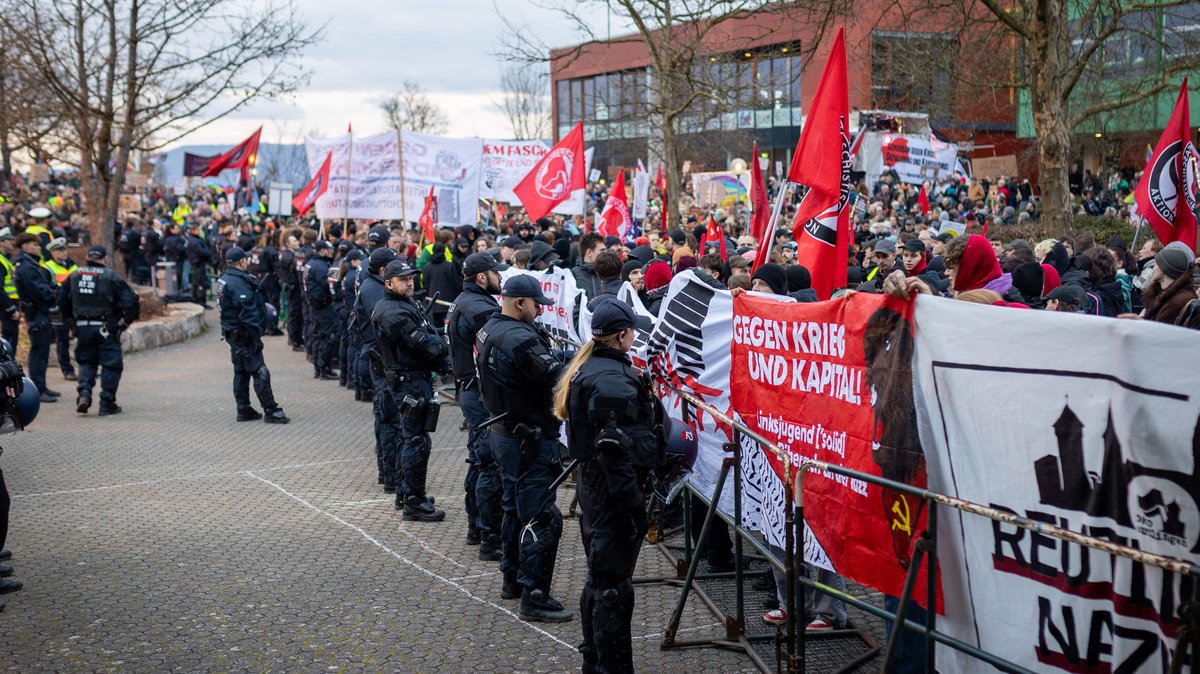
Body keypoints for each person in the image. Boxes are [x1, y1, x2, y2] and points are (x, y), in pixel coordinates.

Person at [555, 298, 655, 673]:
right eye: (633, 331)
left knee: (602, 581)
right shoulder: (611, 379)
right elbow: (613, 452)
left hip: (599, 492)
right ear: (622, 335)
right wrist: (635, 509)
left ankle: (595, 660)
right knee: (611, 589)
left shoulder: (598, 367)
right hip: (610, 496)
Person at [476, 274, 572, 622]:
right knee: (542, 516)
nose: (539, 311)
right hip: (528, 437)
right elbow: (557, 377)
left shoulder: (492, 327)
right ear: (519, 303)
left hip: (505, 431)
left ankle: (512, 579)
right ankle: (534, 593)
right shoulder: (518, 338)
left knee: (515, 506)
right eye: (536, 305)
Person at [371, 260, 451, 522]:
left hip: (416, 377)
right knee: (415, 441)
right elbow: (425, 345)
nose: (409, 282)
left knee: (416, 439)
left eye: (410, 278)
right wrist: (440, 347)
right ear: (388, 283)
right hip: (408, 381)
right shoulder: (390, 311)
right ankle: (413, 502)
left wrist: (437, 343)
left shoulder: (406, 303)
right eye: (402, 279)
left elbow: (429, 334)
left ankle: (408, 494)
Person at [446, 253, 503, 557]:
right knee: (489, 463)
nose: (500, 278)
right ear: (481, 277)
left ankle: (476, 526)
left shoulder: (464, 300)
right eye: (495, 272)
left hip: (469, 389)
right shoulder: (481, 308)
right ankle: (488, 535)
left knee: (479, 458)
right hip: (479, 392)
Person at [59, 246, 139, 416]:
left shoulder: (74, 276)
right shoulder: (111, 277)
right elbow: (131, 302)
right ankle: (107, 402)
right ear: (105, 259)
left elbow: (61, 300)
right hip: (106, 328)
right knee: (111, 365)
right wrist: (125, 322)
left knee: (87, 362)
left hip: (82, 327)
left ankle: (84, 394)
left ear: (87, 257)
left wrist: (71, 322)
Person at [216, 247, 289, 424]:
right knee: (259, 370)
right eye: (246, 260)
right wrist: (256, 338)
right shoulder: (236, 282)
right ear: (241, 262)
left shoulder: (225, 279)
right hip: (243, 335)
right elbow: (247, 313)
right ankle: (271, 410)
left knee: (241, 371)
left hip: (233, 334)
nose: (248, 262)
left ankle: (243, 408)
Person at [13, 234, 59, 403]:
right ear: (24, 246)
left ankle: (42, 386)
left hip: (39, 313)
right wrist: (52, 294)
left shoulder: (32, 265)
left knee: (42, 351)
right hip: (36, 313)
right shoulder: (26, 267)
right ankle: (37, 388)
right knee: (38, 353)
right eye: (34, 244)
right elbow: (40, 291)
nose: (38, 247)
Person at [42, 238, 78, 381]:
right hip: (58, 308)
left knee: (82, 337)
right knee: (62, 340)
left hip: (74, 306)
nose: (64, 252)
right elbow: (46, 288)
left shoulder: (71, 264)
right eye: (60, 250)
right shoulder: (46, 267)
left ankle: (86, 368)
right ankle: (67, 370)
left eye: (64, 249)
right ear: (52, 252)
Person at [304, 240, 339, 380]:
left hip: (315, 305)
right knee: (328, 336)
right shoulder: (319, 266)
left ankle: (319, 368)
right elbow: (327, 284)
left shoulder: (312, 263)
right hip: (322, 306)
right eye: (329, 249)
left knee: (319, 335)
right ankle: (324, 368)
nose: (331, 252)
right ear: (322, 250)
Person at [1141, 242, 1196, 324]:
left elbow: (1161, 332)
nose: (1153, 268)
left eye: (1157, 264)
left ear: (1164, 269)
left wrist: (1141, 320)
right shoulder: (1158, 293)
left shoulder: (1179, 302)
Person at [0, 230, 21, 352]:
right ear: (1, 242)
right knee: (9, 341)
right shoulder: (1, 261)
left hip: (10, 303)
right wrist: (11, 308)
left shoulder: (5, 259)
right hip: (7, 305)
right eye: (9, 240)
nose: (12, 243)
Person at [184, 221, 214, 308]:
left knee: (197, 282)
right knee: (200, 283)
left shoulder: (194, 240)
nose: (199, 231)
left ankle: (196, 299)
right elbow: (202, 252)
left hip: (196, 262)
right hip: (198, 263)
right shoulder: (194, 241)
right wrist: (208, 253)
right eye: (197, 230)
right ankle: (201, 301)